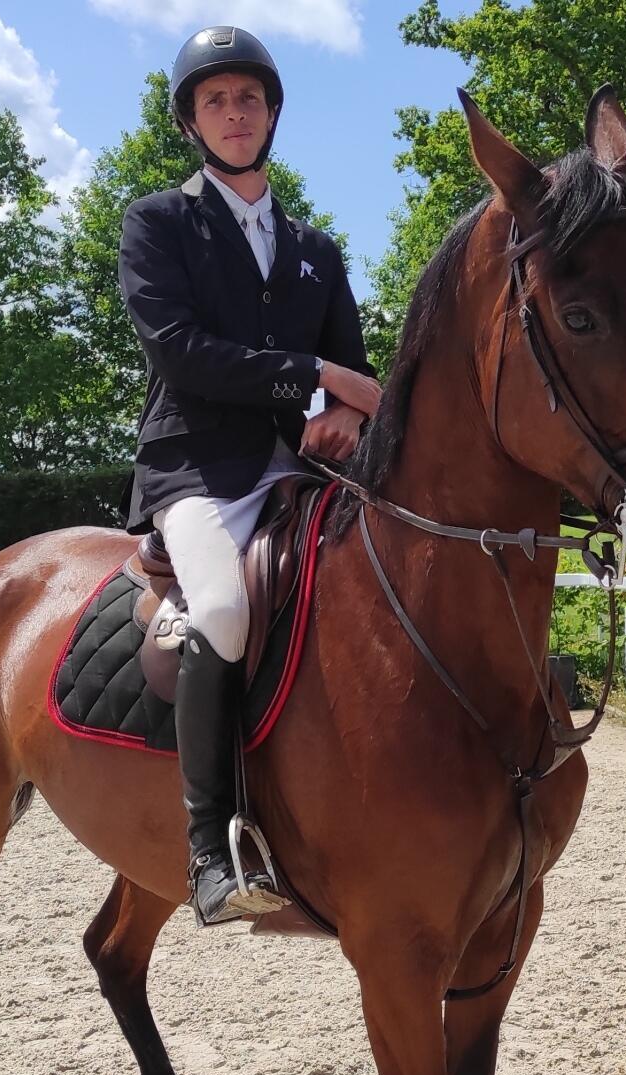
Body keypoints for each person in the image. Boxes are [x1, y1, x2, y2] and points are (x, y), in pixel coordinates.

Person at [117, 25, 380, 927]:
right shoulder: (158, 224)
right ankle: (207, 850)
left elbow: (355, 372)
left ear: (272, 114)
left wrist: (345, 412)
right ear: (192, 119)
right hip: (194, 465)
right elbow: (181, 354)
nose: (236, 113)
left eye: (250, 99)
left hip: (298, 468)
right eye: (216, 100)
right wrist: (311, 380)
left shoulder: (315, 248)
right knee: (224, 609)